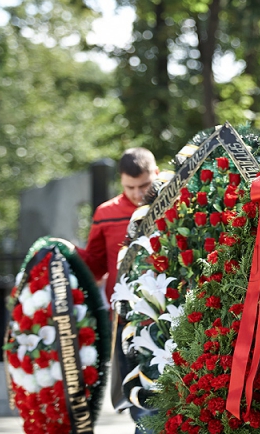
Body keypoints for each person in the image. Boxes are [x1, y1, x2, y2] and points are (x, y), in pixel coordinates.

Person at [77, 147, 159, 431]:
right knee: (136, 392)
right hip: (125, 320)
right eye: (130, 187)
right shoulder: (106, 213)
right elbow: (95, 265)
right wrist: (66, 252)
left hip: (166, 316)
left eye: (144, 186)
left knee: (157, 394)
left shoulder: (174, 205)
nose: (137, 194)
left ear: (156, 173)